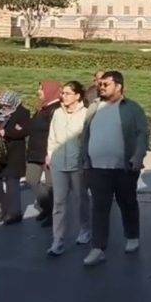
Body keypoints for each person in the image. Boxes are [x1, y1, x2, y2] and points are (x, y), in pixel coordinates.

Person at [80, 70, 149, 267]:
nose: (101, 87)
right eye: (100, 84)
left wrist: (138, 156)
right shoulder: (94, 107)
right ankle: (98, 248)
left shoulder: (132, 108)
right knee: (100, 208)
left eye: (106, 84)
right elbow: (85, 134)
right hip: (97, 168)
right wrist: (85, 160)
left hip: (124, 168)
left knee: (127, 203)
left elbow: (142, 134)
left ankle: (132, 236)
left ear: (118, 86)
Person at [46, 81, 91, 256]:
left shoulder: (86, 114)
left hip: (77, 164)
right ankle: (58, 240)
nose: (62, 96)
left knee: (81, 199)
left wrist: (86, 161)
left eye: (67, 93)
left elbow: (88, 140)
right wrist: (50, 155)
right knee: (58, 203)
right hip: (58, 164)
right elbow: (52, 137)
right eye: (62, 93)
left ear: (77, 96)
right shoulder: (57, 113)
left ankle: (85, 229)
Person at [0, 91, 31, 225]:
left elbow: (25, 131)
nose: (4, 108)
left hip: (13, 152)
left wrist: (7, 132)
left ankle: (15, 213)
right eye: (2, 105)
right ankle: (5, 205)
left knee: (12, 182)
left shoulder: (23, 113)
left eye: (7, 105)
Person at [26, 81, 62, 225]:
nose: (38, 92)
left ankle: (53, 214)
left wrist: (51, 152)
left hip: (48, 153)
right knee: (31, 180)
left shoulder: (56, 110)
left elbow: (56, 133)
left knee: (50, 185)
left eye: (41, 89)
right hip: (35, 152)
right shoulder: (43, 108)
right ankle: (47, 207)